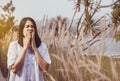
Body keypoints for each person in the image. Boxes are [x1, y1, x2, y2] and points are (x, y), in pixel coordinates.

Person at [7, 17, 51, 81]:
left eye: (32, 26)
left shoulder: (42, 46)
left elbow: (45, 68)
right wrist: (25, 48)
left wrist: (35, 49)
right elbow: (14, 69)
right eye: (27, 26)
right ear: (22, 30)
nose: (30, 29)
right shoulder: (14, 46)